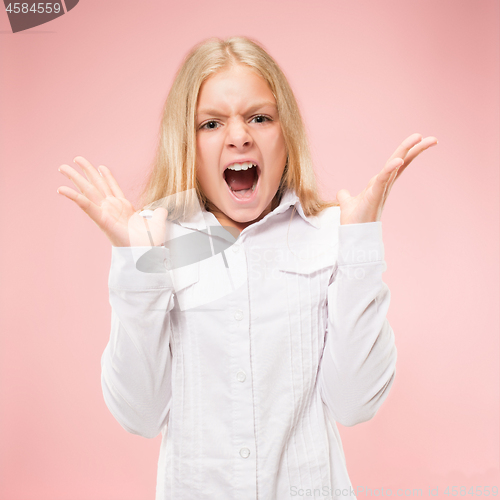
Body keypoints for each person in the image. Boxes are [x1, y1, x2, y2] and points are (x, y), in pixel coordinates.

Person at [57, 36, 437, 500]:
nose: (239, 136)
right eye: (212, 123)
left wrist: (358, 245)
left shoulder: (330, 235)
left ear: (286, 134)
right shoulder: (159, 243)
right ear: (187, 143)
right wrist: (138, 265)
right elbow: (139, 414)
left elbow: (355, 403)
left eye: (259, 117)